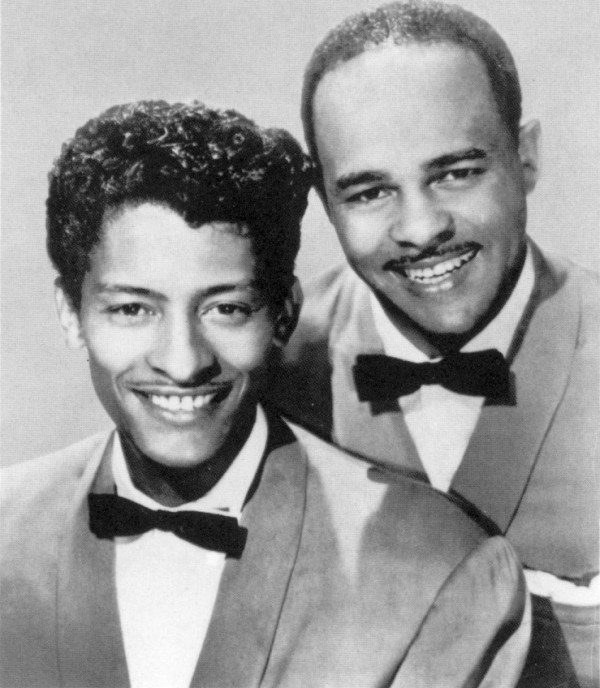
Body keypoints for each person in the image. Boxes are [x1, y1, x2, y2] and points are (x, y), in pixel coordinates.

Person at [0, 100, 530, 688]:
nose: (183, 362)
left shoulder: (440, 569)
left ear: (283, 315)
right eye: (132, 309)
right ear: (70, 313)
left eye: (226, 309)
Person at [271, 2, 599, 687]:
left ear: (526, 157)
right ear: (325, 203)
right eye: (369, 192)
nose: (420, 229)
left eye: (456, 173)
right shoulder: (266, 375)